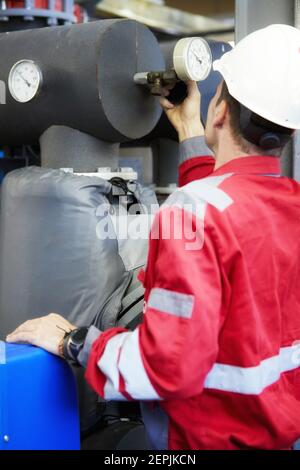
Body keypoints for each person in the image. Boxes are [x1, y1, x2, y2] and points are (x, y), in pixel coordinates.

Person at [6, 24, 300, 450]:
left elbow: (165, 367)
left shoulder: (191, 211)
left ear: (219, 110)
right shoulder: (282, 205)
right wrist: (189, 135)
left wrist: (73, 342)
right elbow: (236, 216)